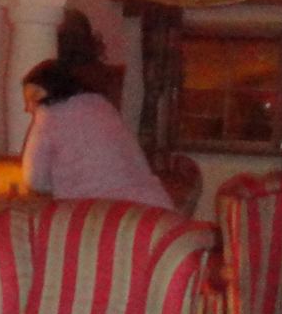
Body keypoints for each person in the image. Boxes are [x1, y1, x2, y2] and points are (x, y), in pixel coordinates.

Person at [20, 58, 172, 209]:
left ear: (52, 88)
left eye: (33, 97)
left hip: (105, 211)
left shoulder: (48, 115)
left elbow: (34, 179)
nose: (28, 107)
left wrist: (57, 183)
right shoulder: (102, 105)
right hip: (156, 206)